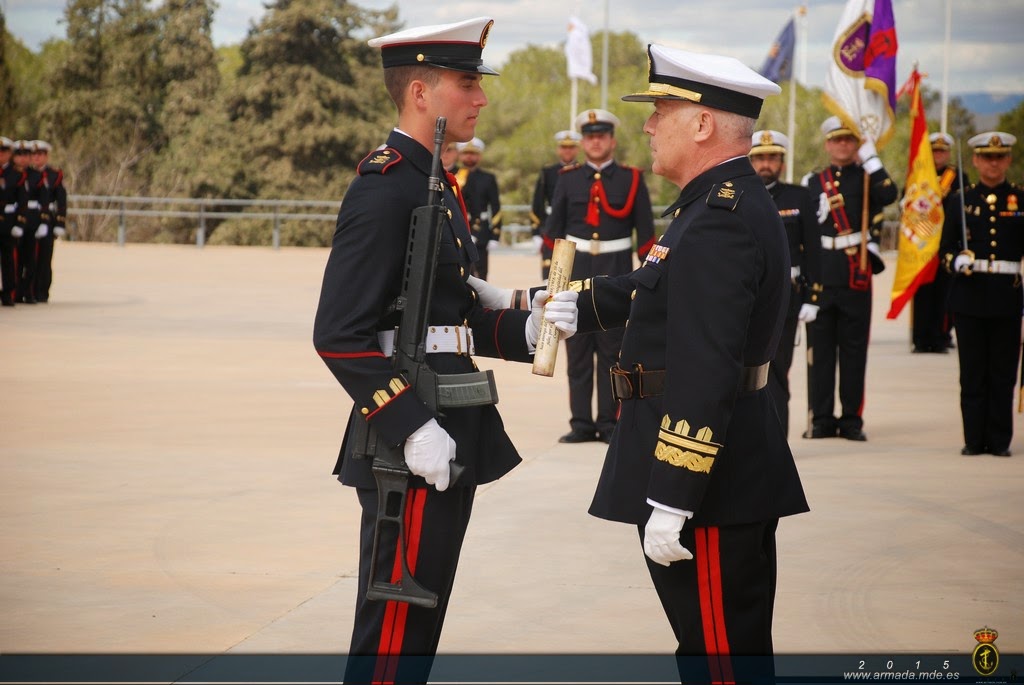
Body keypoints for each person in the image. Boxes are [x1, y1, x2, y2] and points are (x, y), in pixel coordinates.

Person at [311, 17, 578, 685]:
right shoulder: (386, 182)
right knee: (394, 631)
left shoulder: (433, 180)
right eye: (468, 83)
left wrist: (525, 324)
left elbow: (445, 314)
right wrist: (409, 426)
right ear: (422, 92)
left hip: (446, 419)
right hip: (411, 435)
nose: (481, 99)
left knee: (419, 627)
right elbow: (338, 332)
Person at [544, 108, 655, 444]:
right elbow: (553, 234)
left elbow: (646, 236)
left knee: (612, 352)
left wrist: (648, 284)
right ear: (583, 142)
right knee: (577, 351)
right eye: (589, 136)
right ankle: (581, 423)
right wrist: (551, 281)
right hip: (575, 274)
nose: (595, 141)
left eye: (601, 136)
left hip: (616, 272)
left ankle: (608, 423)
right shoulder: (567, 178)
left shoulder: (632, 179)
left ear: (612, 141)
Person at [801, 116, 897, 441]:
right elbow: (805, 232)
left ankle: (852, 420)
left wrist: (872, 159)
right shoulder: (812, 182)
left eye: (849, 140)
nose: (842, 145)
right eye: (837, 140)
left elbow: (890, 193)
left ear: (856, 145)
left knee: (854, 352)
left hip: (855, 273)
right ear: (828, 144)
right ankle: (822, 419)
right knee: (821, 353)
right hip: (822, 274)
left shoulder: (867, 178)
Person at [939, 131, 1022, 457]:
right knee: (972, 373)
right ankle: (973, 439)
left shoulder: (1020, 199)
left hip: (1007, 297)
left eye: (999, 157)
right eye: (987, 157)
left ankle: (999, 441)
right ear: (975, 159)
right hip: (970, 298)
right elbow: (944, 250)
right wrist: (955, 259)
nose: (993, 163)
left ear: (1008, 160)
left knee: (1003, 374)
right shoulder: (961, 200)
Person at [749, 130, 822, 438]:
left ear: (782, 162)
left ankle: (775, 440)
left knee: (777, 371)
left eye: (773, 158)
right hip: (745, 293)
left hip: (785, 295)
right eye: (760, 158)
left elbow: (814, 250)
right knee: (742, 370)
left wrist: (812, 297)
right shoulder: (736, 193)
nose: (766, 164)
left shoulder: (799, 197)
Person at [910, 132, 966, 353]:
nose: (938, 155)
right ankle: (921, 338)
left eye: (942, 151)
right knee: (922, 294)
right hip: (923, 242)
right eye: (934, 151)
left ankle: (941, 336)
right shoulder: (920, 175)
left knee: (946, 292)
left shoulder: (957, 176)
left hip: (947, 241)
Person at [529, 129, 581, 279]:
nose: (567, 151)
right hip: (551, 225)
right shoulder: (548, 172)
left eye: (571, 147)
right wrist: (536, 233)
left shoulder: (583, 171)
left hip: (574, 225)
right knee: (551, 273)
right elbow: (537, 202)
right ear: (559, 149)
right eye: (564, 147)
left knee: (574, 273)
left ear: (577, 149)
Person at [453, 137, 502, 280]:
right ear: (460, 155)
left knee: (480, 271)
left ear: (479, 156)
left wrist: (495, 235)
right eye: (466, 153)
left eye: (473, 153)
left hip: (482, 231)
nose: (469, 156)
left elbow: (495, 206)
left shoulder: (488, 178)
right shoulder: (454, 176)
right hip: (459, 225)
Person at [31, 140, 67, 303]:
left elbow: (61, 200)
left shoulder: (55, 175)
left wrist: (60, 223)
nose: (36, 158)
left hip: (49, 220)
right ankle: (29, 289)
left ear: (46, 156)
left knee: (45, 257)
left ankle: (42, 291)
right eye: (34, 154)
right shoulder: (27, 174)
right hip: (31, 219)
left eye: (40, 154)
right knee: (30, 257)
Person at [0, 136, 23, 307]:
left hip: (8, 222)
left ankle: (8, 292)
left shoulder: (16, 175)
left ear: (9, 154)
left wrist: (19, 223)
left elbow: (22, 201)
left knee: (8, 260)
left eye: (4, 151)